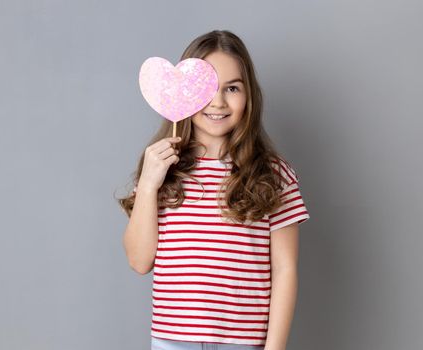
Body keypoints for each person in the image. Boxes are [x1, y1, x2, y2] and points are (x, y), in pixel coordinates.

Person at [117, 30, 310, 350]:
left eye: (232, 88)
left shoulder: (274, 174)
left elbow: (285, 269)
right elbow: (139, 261)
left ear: (249, 95)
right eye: (205, 88)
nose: (218, 102)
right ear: (182, 93)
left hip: (243, 342)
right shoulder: (162, 169)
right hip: (172, 340)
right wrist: (150, 184)